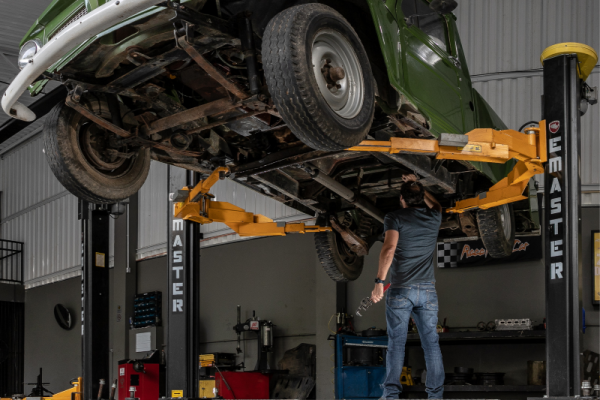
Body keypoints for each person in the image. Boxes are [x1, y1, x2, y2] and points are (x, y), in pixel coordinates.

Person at [371, 174, 444, 399]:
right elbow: (437, 205)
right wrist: (419, 186)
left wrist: (378, 283)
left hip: (401, 289)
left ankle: (391, 396)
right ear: (422, 198)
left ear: (401, 198)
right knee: (431, 344)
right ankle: (435, 396)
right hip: (428, 291)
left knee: (397, 345)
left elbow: (389, 249)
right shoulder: (434, 217)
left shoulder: (394, 217)